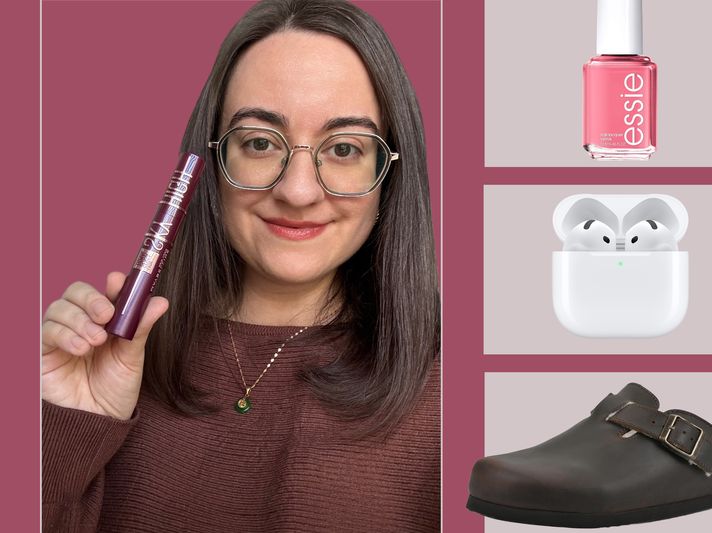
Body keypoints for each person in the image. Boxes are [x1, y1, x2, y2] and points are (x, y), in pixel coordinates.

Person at [41, 1, 440, 531]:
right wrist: (61, 436)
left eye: (344, 148)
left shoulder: (462, 387)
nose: (297, 191)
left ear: (390, 170)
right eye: (258, 142)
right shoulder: (112, 358)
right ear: (210, 161)